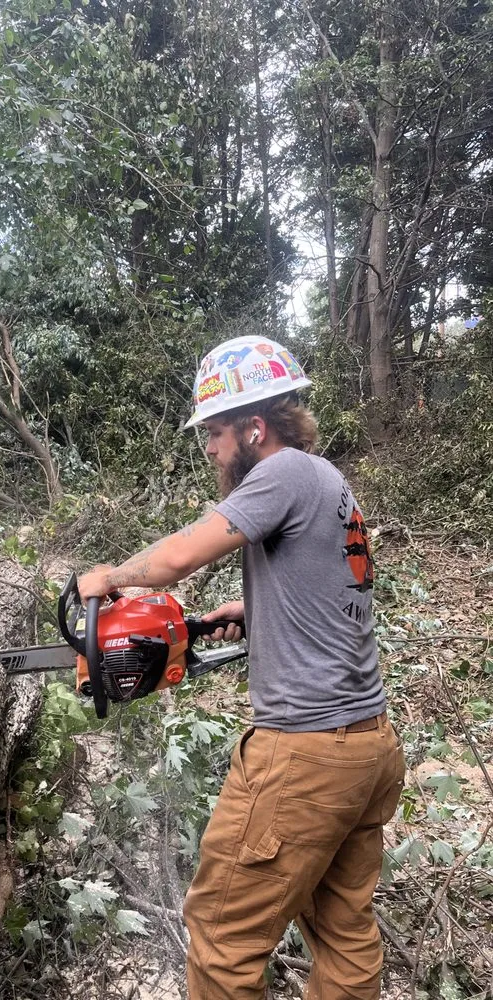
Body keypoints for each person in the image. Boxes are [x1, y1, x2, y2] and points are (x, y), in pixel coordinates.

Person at [78, 335, 406, 1000]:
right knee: (344, 931)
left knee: (222, 938)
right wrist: (257, 610)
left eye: (215, 433)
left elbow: (179, 557)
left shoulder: (280, 474)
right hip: (368, 747)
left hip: (305, 755)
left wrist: (108, 577)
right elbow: (336, 595)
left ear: (255, 428)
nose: (210, 449)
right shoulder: (327, 480)